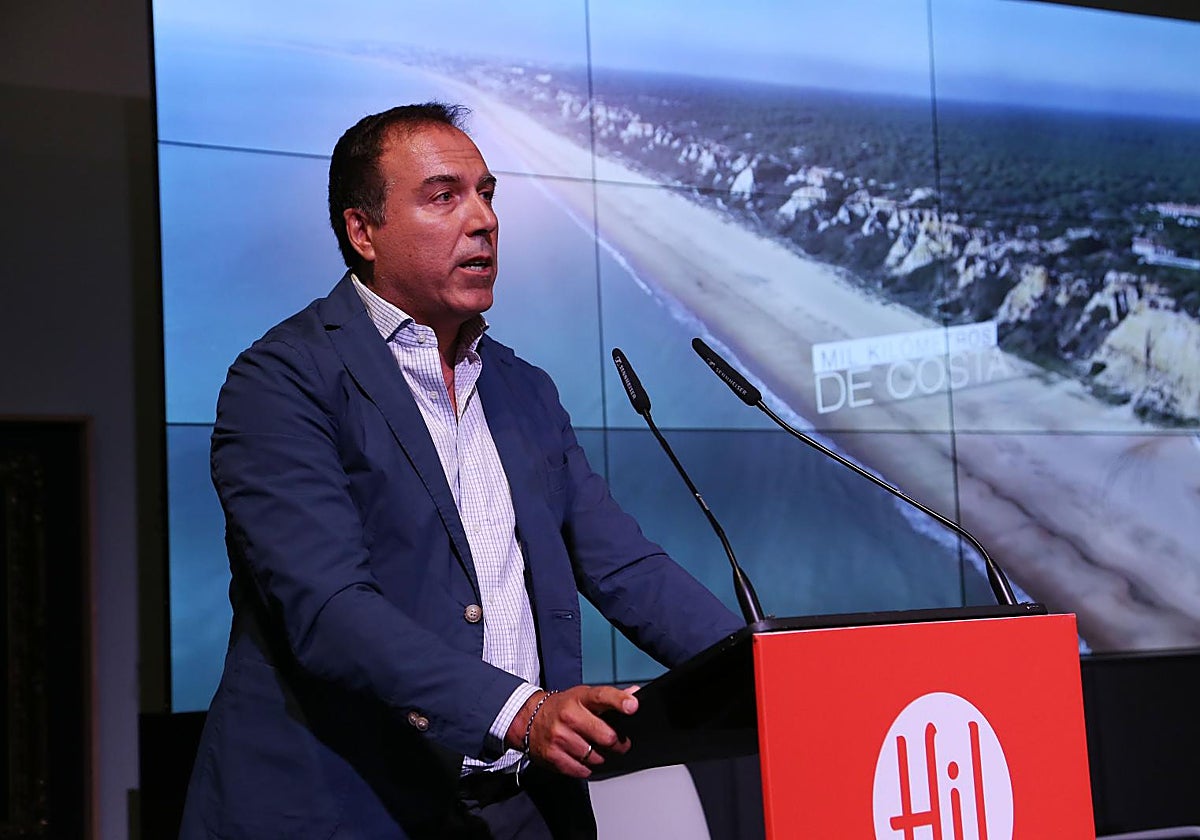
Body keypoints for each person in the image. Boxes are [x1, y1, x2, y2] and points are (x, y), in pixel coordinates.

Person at [179, 102, 743, 839]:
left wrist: (764, 669)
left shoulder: (522, 388)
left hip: (519, 812)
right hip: (342, 809)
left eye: (487, 193)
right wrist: (522, 711)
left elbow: (625, 567)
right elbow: (329, 608)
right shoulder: (284, 381)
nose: (483, 220)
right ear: (363, 231)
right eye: (445, 196)